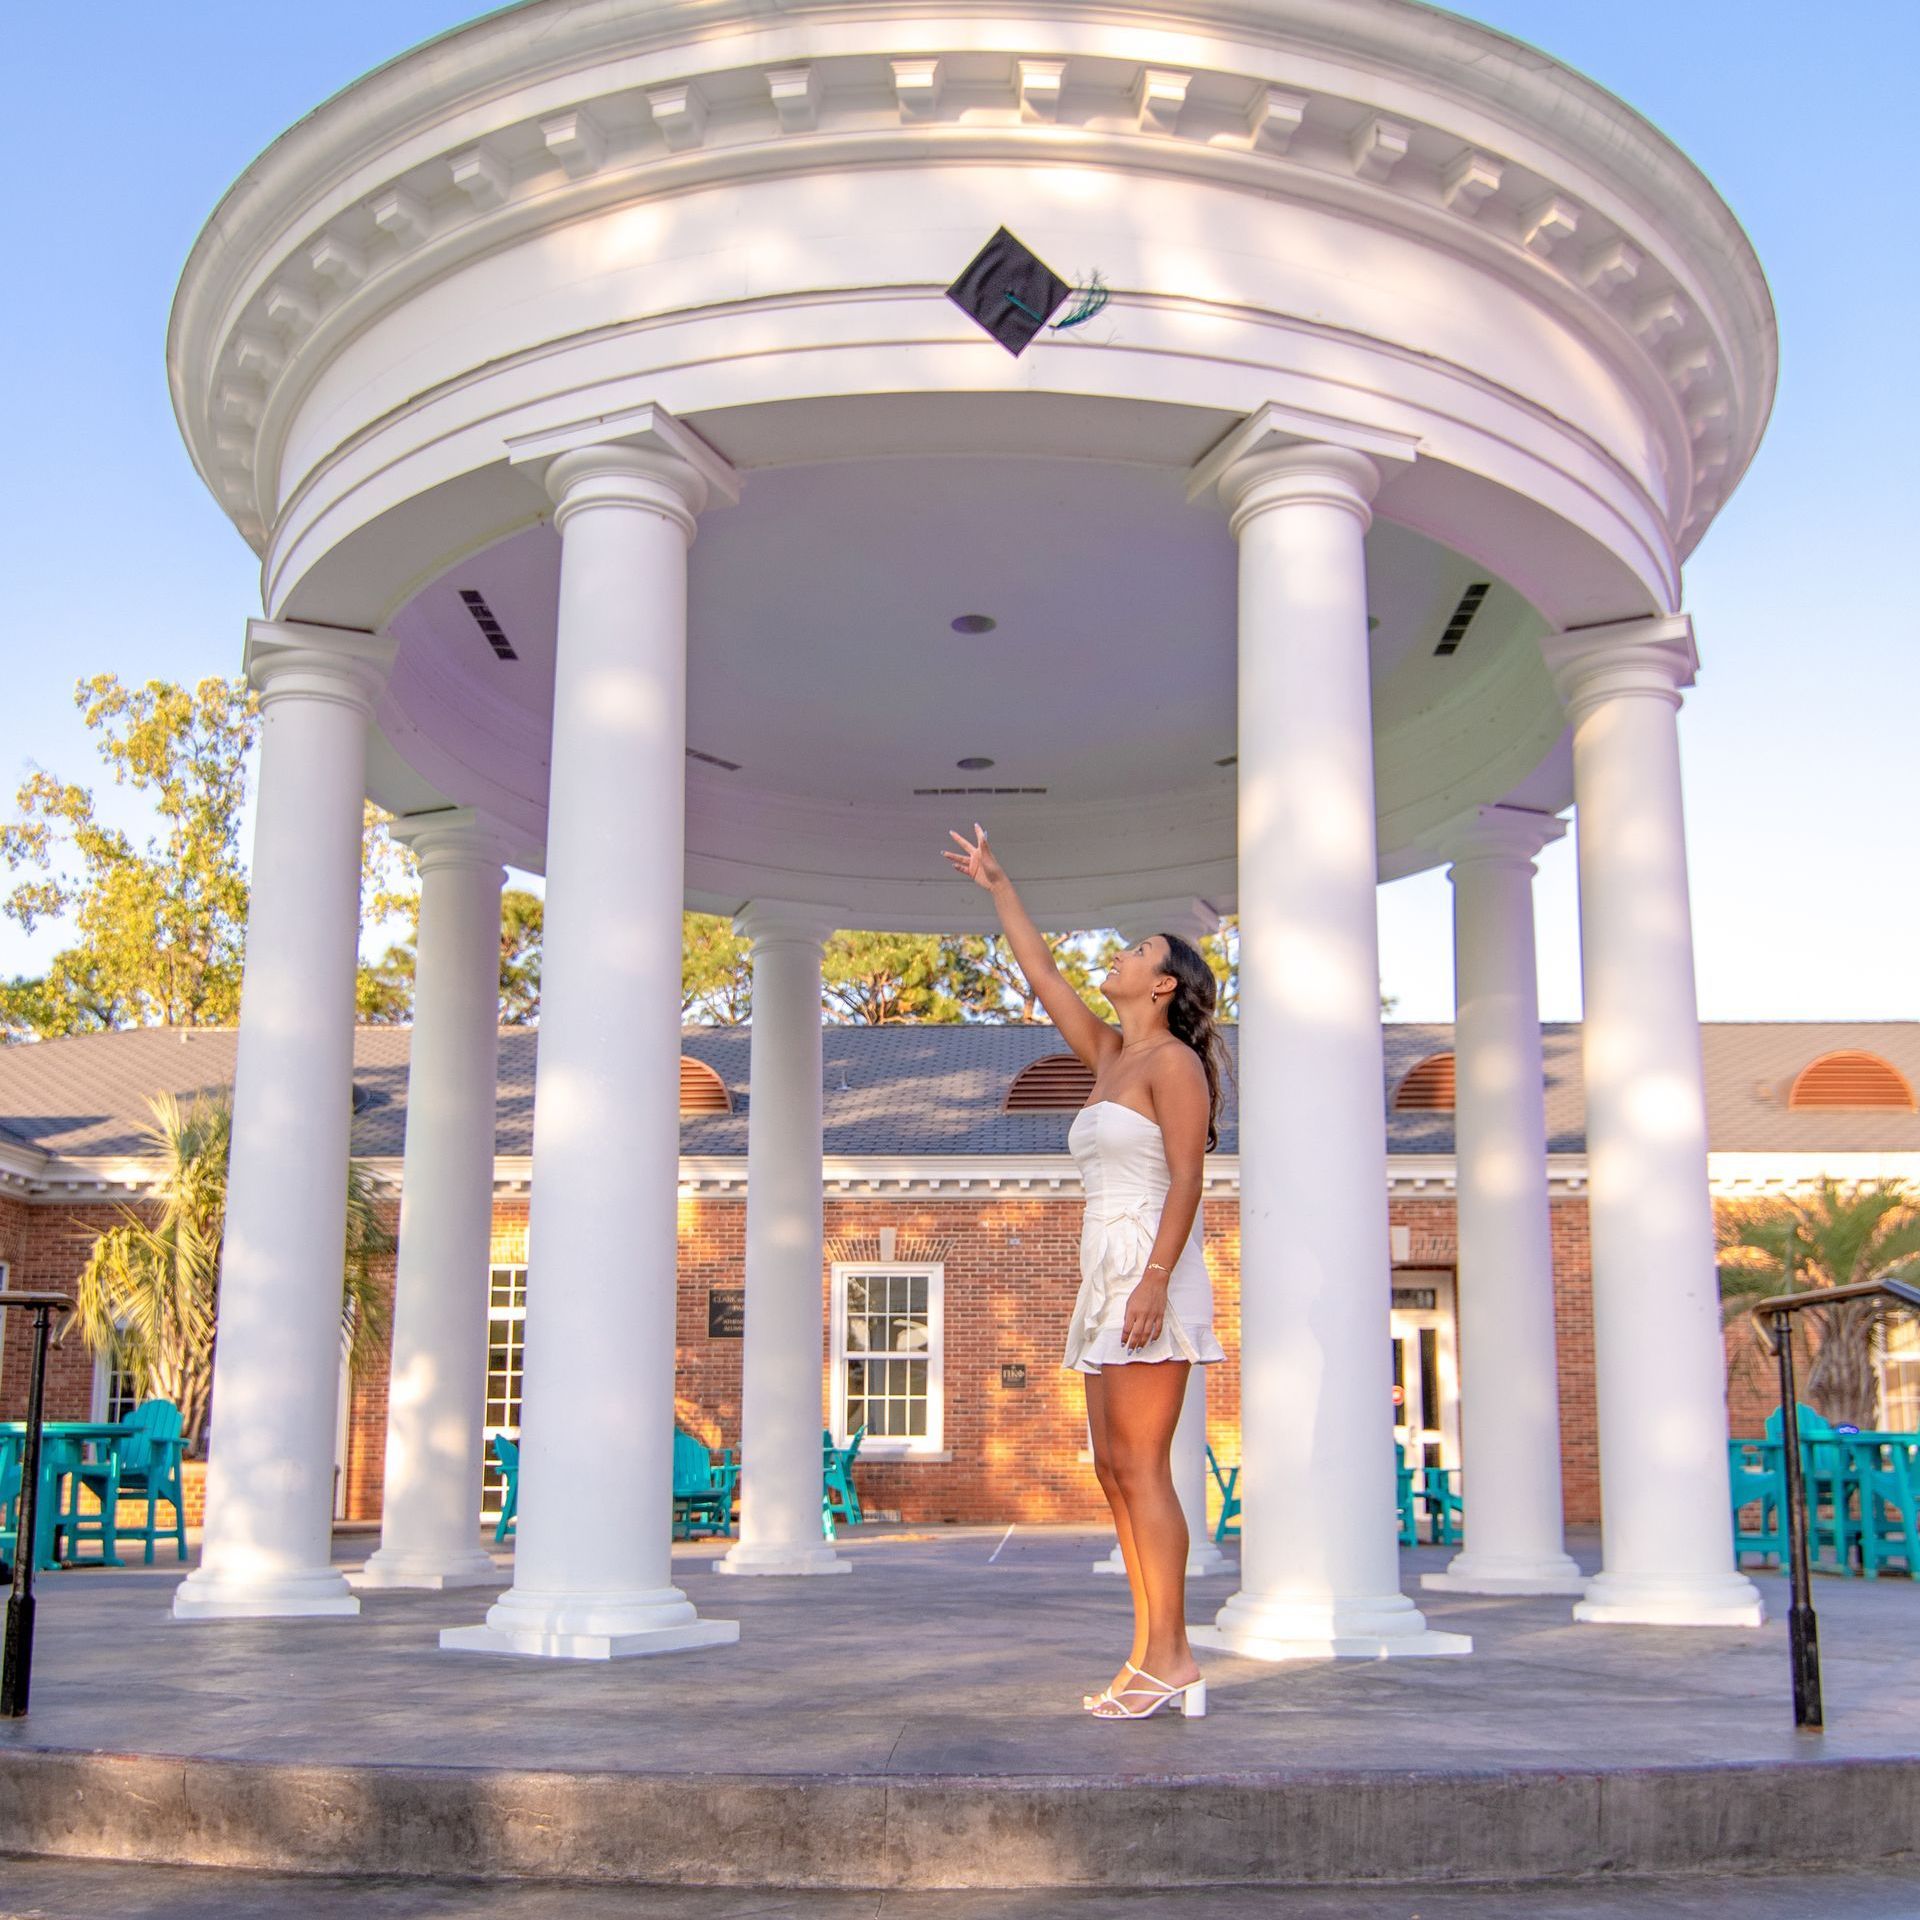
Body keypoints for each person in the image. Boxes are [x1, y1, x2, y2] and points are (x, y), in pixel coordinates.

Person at [944, 823, 1228, 1721]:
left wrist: (1153, 1281)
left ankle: (1173, 1659)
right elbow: (1043, 977)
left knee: (1145, 1468)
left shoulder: (1176, 1062)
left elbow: (1188, 1176)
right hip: (1100, 1272)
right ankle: (1147, 1653)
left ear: (1165, 983)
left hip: (1153, 1268)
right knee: (1112, 1468)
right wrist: (999, 886)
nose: (1119, 955)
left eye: (1137, 950)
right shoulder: (1112, 1057)